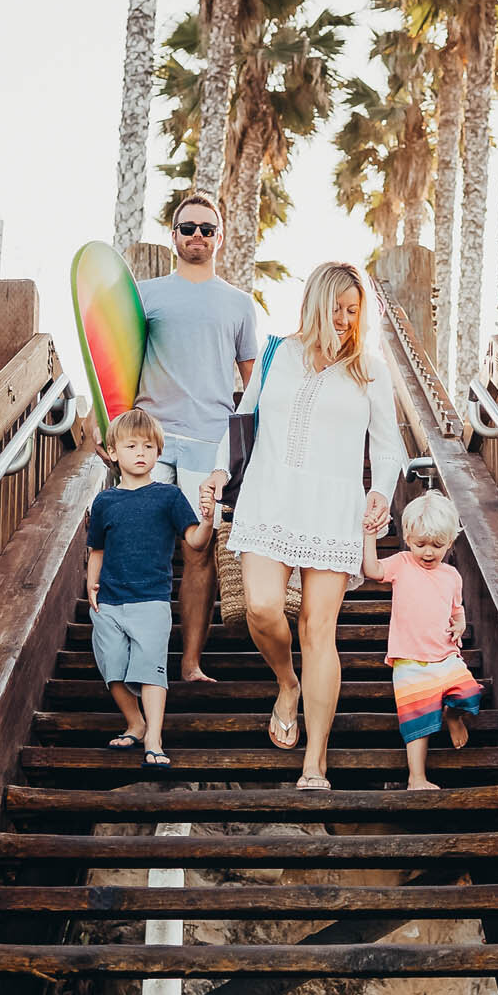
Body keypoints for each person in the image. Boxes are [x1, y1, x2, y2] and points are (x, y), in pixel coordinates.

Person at [200, 262, 404, 792]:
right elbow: (243, 419)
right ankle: (286, 683)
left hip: (333, 506)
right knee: (262, 607)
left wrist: (380, 490)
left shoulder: (371, 369)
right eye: (334, 308)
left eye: (352, 311)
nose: (342, 320)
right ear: (313, 303)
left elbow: (388, 447)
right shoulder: (276, 355)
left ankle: (316, 763)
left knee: (319, 631)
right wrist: (220, 471)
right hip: (269, 496)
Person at [134, 191, 258, 683]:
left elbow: (255, 386)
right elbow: (114, 364)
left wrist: (250, 449)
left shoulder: (239, 304)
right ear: (173, 235)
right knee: (141, 547)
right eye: (189, 228)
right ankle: (144, 662)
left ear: (221, 237)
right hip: (151, 438)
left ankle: (189, 664)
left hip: (209, 443)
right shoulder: (145, 295)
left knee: (197, 551)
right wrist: (113, 424)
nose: (198, 236)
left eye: (208, 228)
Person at [86, 409, 214, 769]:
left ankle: (154, 739)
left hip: (152, 600)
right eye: (131, 446)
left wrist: (207, 521)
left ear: (158, 453)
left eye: (148, 446)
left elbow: (195, 541)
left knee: (150, 669)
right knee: (111, 666)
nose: (140, 452)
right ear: (113, 453)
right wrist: (90, 584)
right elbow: (97, 549)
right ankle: (135, 722)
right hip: (110, 600)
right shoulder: (105, 501)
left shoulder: (169, 496)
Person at [362, 490, 483, 791]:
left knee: (469, 693)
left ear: (450, 543)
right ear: (407, 538)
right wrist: (367, 537)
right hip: (409, 659)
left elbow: (457, 610)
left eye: (437, 545)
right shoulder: (403, 563)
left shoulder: (452, 575)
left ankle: (452, 715)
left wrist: (460, 623)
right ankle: (416, 778)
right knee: (416, 721)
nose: (428, 552)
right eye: (420, 544)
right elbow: (373, 570)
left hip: (445, 656)